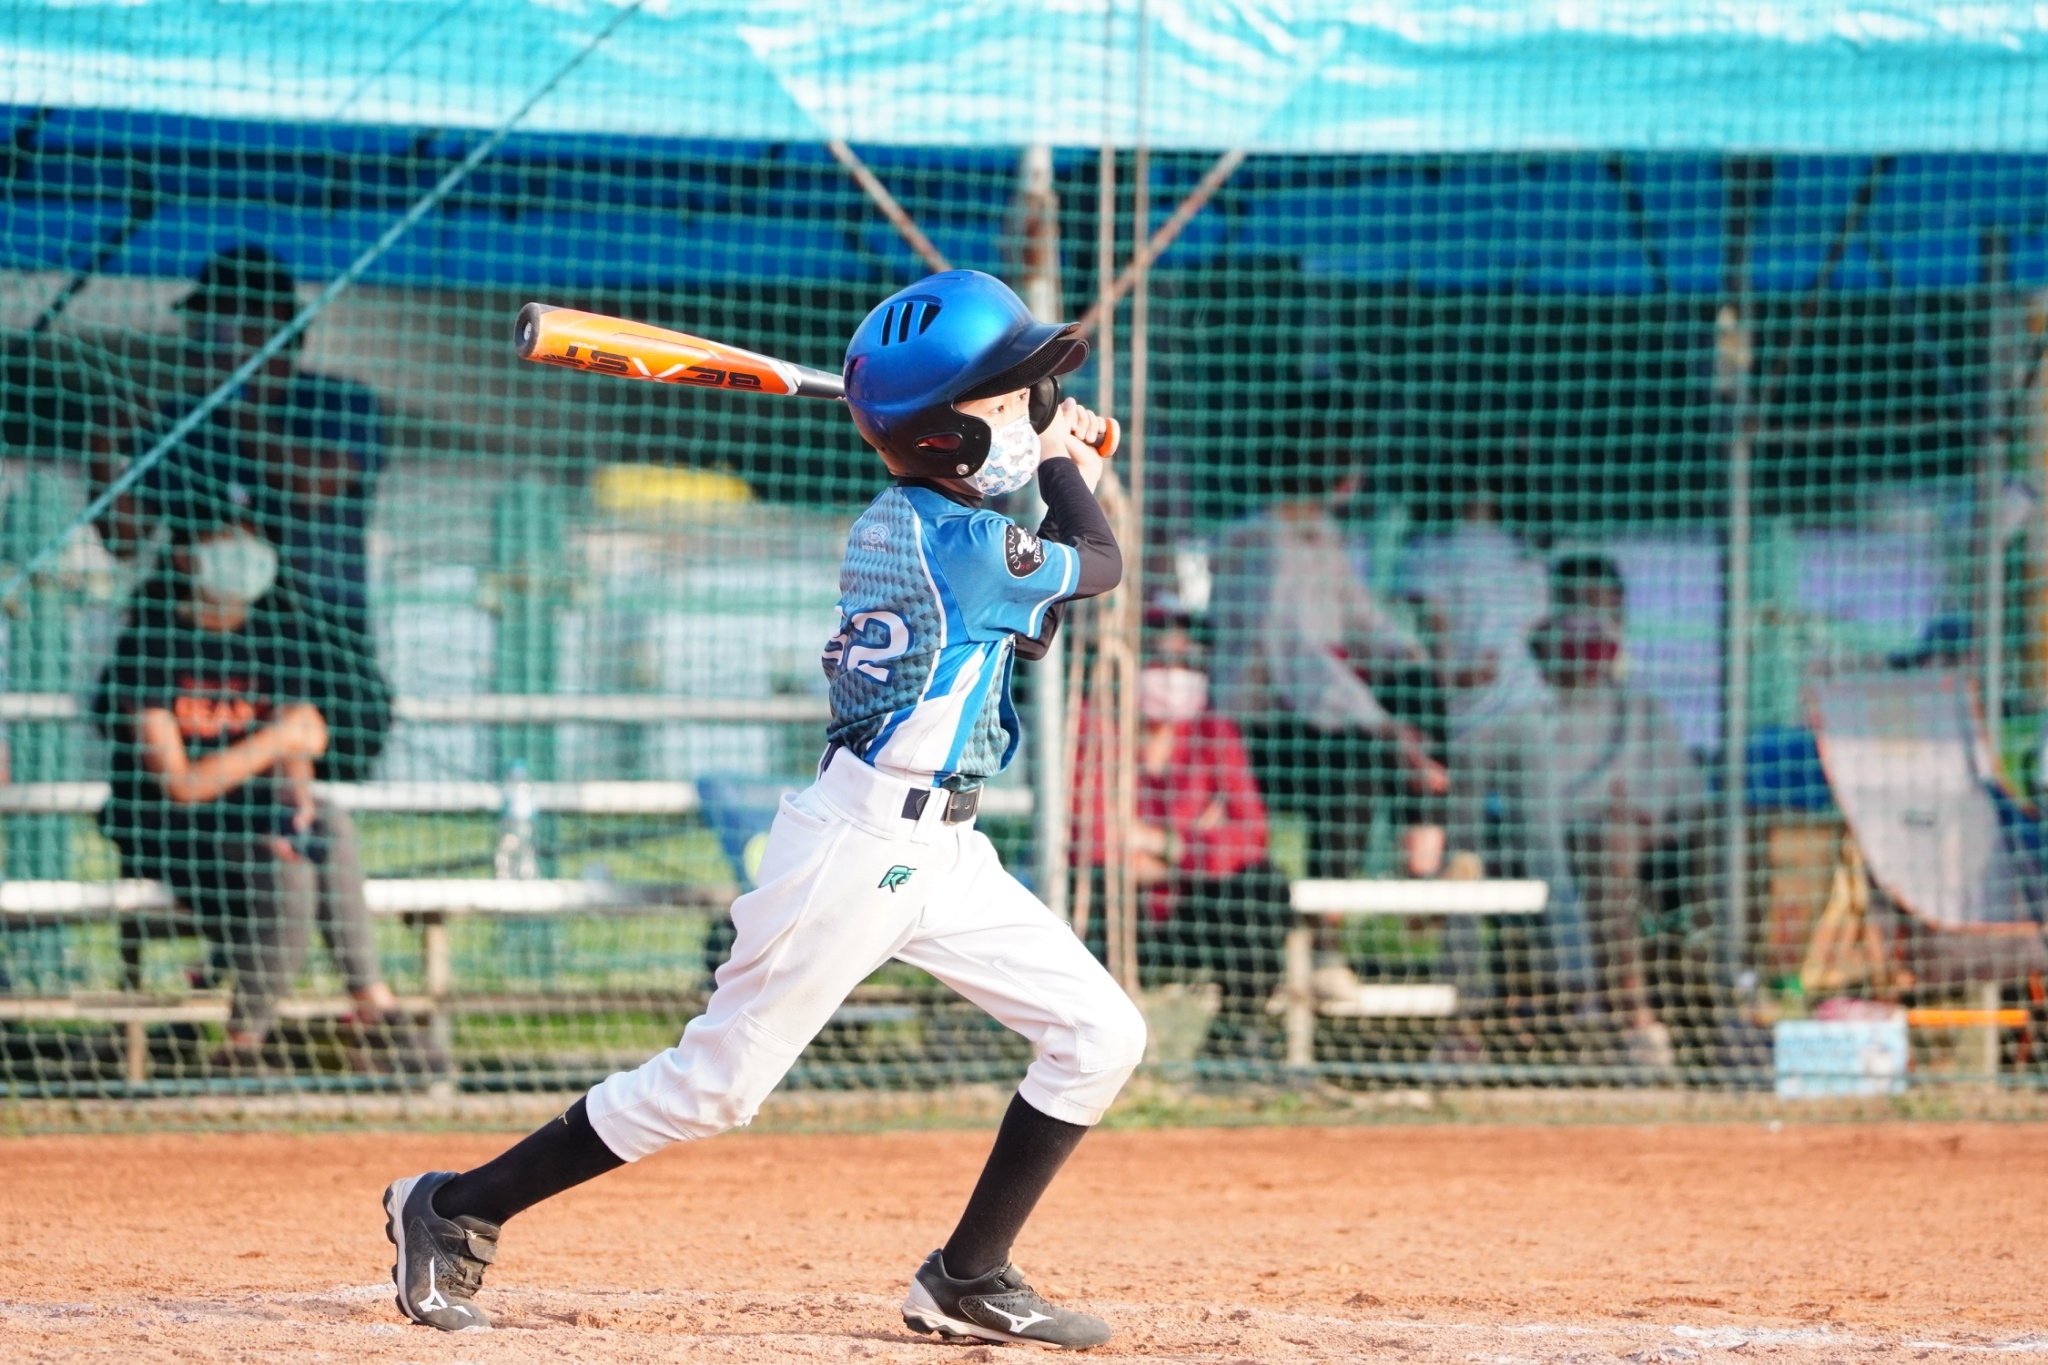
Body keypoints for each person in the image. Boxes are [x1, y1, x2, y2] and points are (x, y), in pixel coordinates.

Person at [381, 271, 1146, 1348]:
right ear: (946, 439)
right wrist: (1065, 466)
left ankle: (967, 1276)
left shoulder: (920, 523)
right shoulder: (959, 543)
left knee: (1098, 1034)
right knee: (714, 1088)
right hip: (859, 851)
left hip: (943, 851)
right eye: (1013, 397)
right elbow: (1099, 564)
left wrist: (1059, 468)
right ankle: (454, 1207)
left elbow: (1031, 620)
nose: (1036, 407)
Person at [88, 244, 401, 1054]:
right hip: (200, 663)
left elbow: (314, 481)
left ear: (273, 333)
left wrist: (243, 398)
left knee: (309, 819)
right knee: (271, 839)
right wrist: (111, 446)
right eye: (207, 330)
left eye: (229, 328)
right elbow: (122, 535)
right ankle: (256, 993)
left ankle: (351, 999)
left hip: (314, 648)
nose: (209, 343)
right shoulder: (183, 422)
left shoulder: (338, 405)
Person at [92, 522, 344, 1061]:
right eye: (226, 539)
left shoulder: (276, 638)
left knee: (327, 823)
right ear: (187, 558)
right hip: (175, 841)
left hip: (250, 830)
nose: (245, 552)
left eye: (252, 538)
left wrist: (296, 799)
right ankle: (243, 1044)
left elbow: (299, 750)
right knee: (288, 870)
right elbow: (182, 784)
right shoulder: (151, 644)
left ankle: (371, 1007)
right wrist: (276, 739)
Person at [1209, 445, 1449, 1006]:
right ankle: (1327, 942)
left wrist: (1418, 661)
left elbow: (1362, 620)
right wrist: (1386, 728)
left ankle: (1424, 855)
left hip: (1316, 714)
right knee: (1359, 763)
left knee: (1415, 688)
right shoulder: (1258, 541)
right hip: (1256, 728)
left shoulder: (1324, 536)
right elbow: (1296, 655)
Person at [1536, 554, 1711, 1067]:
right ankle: (1632, 1018)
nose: (1592, 624)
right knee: (1610, 842)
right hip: (1566, 845)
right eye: (1576, 606)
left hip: (1649, 846)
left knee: (1729, 838)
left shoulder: (1642, 707)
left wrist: (1648, 819)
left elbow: (1690, 801)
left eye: (1606, 610)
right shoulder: (1526, 704)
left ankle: (1727, 996)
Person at [1075, 613, 1291, 1024]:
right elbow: (1093, 840)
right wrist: (1200, 842)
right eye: (1161, 660)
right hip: (1119, 909)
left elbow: (1251, 835)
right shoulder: (1093, 725)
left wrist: (1163, 845)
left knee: (1262, 884)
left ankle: (1242, 1029)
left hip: (1193, 910)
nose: (1174, 676)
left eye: (1187, 662)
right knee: (1093, 889)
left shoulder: (1214, 732)